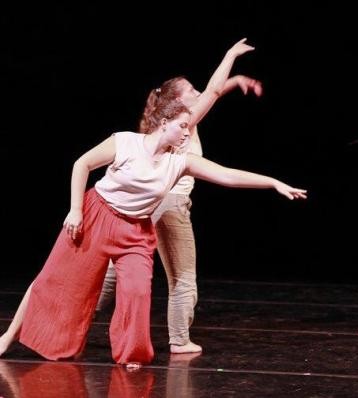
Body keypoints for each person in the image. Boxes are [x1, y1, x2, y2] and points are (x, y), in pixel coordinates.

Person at [0, 92, 306, 366]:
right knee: (52, 280)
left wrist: (273, 182)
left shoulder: (180, 162)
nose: (188, 131)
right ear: (164, 122)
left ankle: (131, 354)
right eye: (183, 125)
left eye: (189, 126)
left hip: (135, 232)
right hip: (96, 217)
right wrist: (76, 210)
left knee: (136, 291)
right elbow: (82, 164)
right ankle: (9, 336)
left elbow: (227, 175)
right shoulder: (125, 142)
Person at [96, 40, 263, 355]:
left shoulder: (166, 125)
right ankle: (179, 340)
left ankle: (79, 314)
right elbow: (212, 92)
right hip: (171, 206)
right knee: (183, 276)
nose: (198, 95)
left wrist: (235, 83)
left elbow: (211, 92)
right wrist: (230, 57)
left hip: (147, 206)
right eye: (191, 92)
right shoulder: (186, 122)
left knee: (113, 272)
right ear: (176, 103)